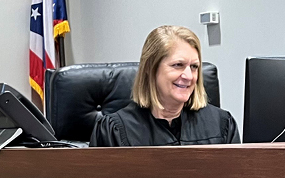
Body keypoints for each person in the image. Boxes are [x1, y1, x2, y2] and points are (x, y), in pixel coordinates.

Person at [90, 25, 240, 147]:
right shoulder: (114, 130)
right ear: (150, 68)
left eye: (194, 67)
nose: (188, 76)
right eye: (178, 65)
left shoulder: (222, 124)